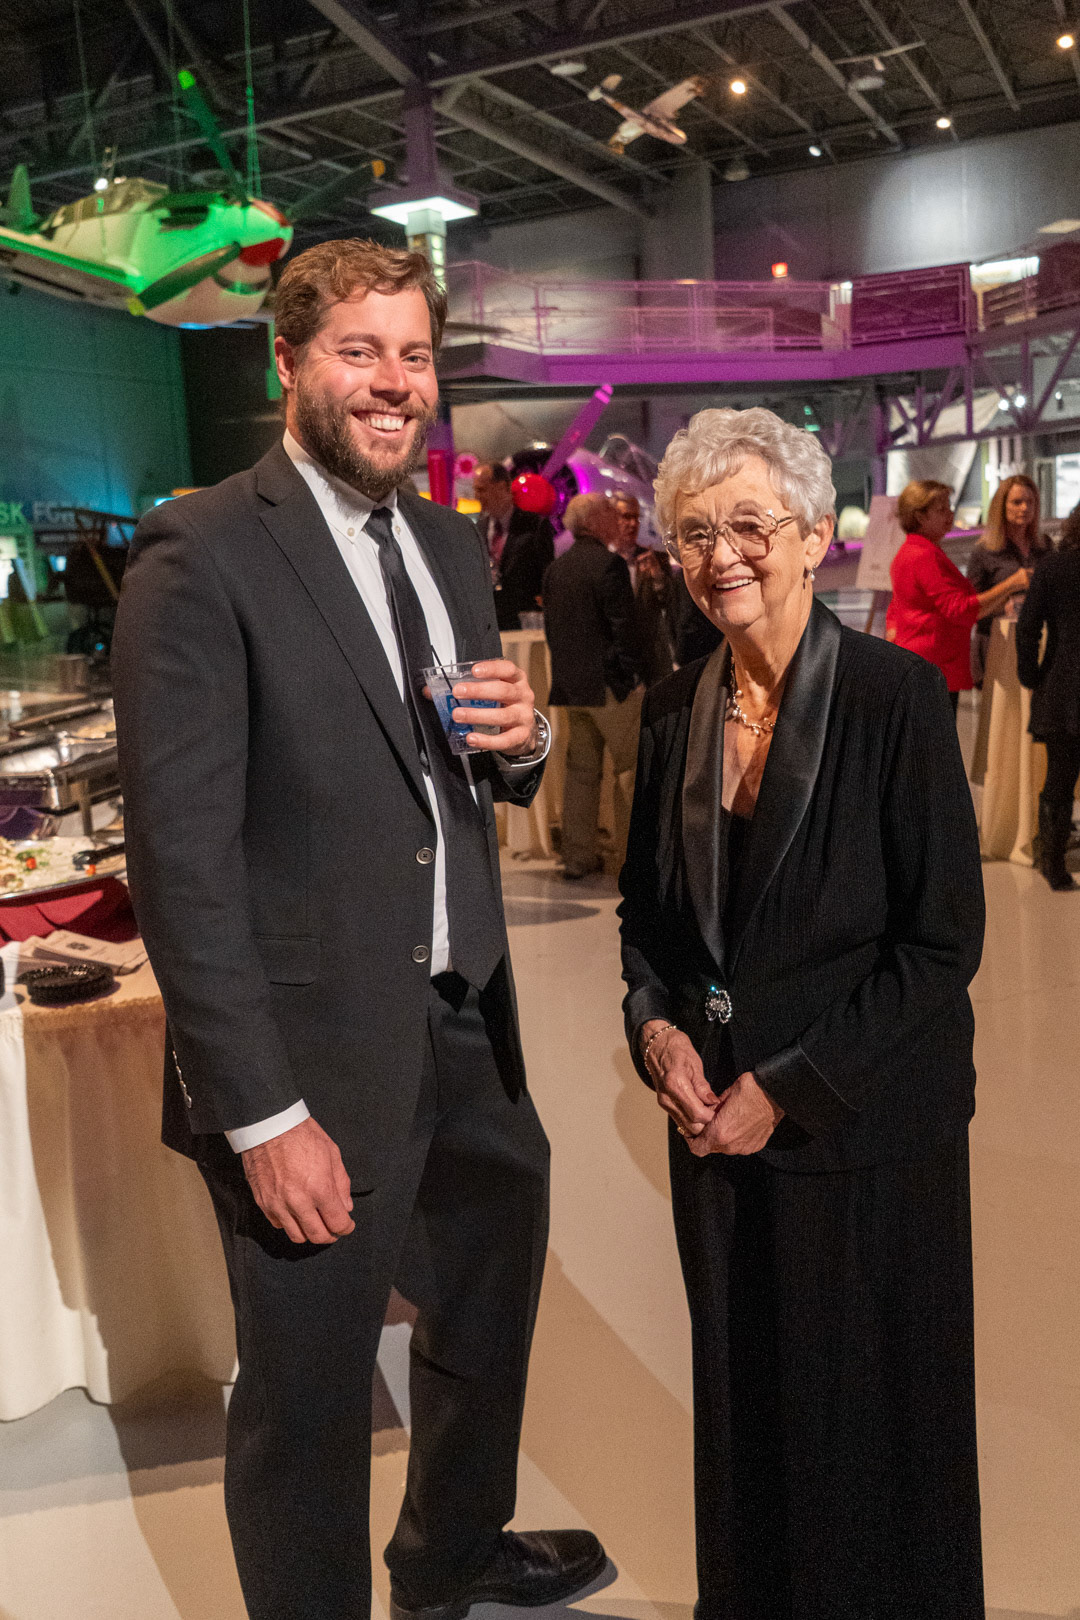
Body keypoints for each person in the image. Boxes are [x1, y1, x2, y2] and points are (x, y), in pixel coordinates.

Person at [111, 238, 605, 1620]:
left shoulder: (445, 543)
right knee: (312, 1401)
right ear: (288, 363)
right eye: (360, 352)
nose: (396, 383)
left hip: (466, 1024)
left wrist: (525, 741)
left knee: (487, 1311)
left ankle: (450, 1553)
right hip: (311, 1061)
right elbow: (180, 865)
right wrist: (262, 1115)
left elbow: (456, 764)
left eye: (416, 355)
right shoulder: (202, 551)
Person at [619, 407, 986, 1619]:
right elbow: (646, 922)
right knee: (746, 1424)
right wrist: (656, 1030)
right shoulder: (672, 708)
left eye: (749, 525)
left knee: (870, 1435)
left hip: (864, 1133)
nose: (721, 555)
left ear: (815, 535)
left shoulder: (895, 699)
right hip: (716, 1139)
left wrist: (787, 1089)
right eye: (694, 534)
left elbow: (941, 944)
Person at [542, 492, 644, 879]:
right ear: (593, 522)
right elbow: (624, 630)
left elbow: (554, 632)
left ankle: (577, 856)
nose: (618, 520)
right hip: (609, 688)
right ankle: (630, 859)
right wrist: (630, 676)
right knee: (629, 772)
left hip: (572, 689)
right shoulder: (609, 565)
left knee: (581, 774)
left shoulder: (557, 569)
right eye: (611, 514)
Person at [886, 478, 1029, 709]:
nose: (950, 514)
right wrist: (1011, 584)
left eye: (949, 507)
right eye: (942, 510)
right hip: (933, 664)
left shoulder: (914, 551)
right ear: (920, 516)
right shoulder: (923, 556)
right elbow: (959, 609)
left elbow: (898, 607)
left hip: (922, 662)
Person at [1017, 502, 1080, 891]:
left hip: (1064, 686)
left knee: (1060, 776)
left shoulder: (1053, 567)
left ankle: (1053, 863)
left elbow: (1027, 627)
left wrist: (1033, 676)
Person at [967, 473, 1049, 684]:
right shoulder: (984, 551)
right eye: (1017, 502)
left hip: (1036, 639)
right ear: (1001, 506)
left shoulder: (1044, 546)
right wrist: (1009, 590)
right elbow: (971, 609)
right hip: (997, 640)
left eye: (1030, 502)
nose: (1024, 508)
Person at [473, 461, 555, 631]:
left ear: (502, 487)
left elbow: (548, 578)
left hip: (524, 624)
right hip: (490, 625)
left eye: (482, 490)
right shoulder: (479, 529)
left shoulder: (535, 526)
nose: (476, 496)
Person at [634, 546, 678, 686]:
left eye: (649, 560)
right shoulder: (638, 587)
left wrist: (658, 576)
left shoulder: (671, 581)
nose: (646, 565)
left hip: (670, 644)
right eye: (643, 561)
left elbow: (665, 597)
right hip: (652, 649)